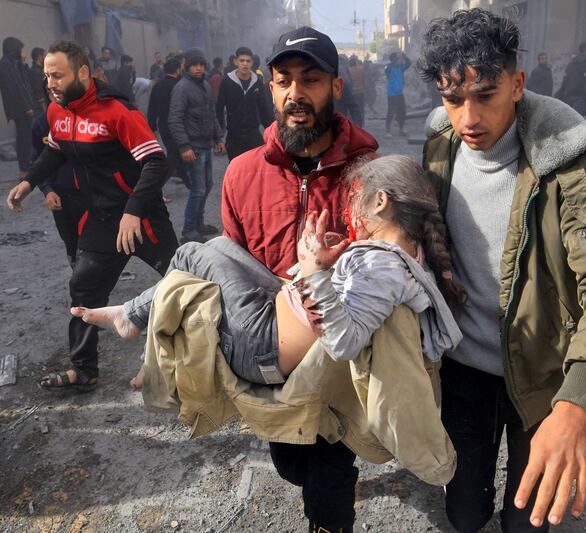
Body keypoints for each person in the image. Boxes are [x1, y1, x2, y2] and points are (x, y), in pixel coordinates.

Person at [418, 9, 586, 532]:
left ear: (517, 83)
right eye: (452, 99)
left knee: (527, 521)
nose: (468, 118)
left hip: (541, 379)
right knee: (463, 513)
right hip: (462, 371)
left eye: (484, 94)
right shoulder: (440, 147)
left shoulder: (575, 168)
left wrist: (578, 404)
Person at [73, 155, 463, 400]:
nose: (350, 213)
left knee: (190, 253)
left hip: (260, 347)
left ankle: (133, 319)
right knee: (221, 248)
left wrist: (313, 270)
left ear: (380, 202)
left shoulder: (383, 266)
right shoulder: (401, 255)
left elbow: (344, 341)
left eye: (356, 201)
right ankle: (135, 315)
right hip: (271, 317)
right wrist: (321, 265)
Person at [222, 26, 378, 532]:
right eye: (284, 80)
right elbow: (234, 277)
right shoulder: (242, 175)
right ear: (270, 88)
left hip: (343, 361)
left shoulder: (370, 176)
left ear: (335, 87)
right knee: (291, 464)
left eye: (310, 80)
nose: (296, 93)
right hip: (277, 356)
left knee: (327, 480)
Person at [5, 41, 178, 391]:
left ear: (82, 73)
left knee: (181, 283)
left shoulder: (117, 112)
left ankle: (195, 359)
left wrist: (133, 211)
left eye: (57, 75)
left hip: (142, 217)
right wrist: (28, 183)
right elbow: (54, 152)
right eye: (46, 75)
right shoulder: (57, 111)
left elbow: (157, 162)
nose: (49, 82)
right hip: (101, 219)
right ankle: (84, 371)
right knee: (82, 288)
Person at [168, 48, 225, 243]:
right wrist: (184, 146)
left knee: (207, 185)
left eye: (201, 64)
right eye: (195, 65)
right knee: (198, 188)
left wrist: (218, 138)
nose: (199, 68)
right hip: (193, 147)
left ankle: (198, 224)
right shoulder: (182, 88)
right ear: (187, 66)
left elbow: (212, 114)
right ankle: (189, 230)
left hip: (206, 144)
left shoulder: (206, 85)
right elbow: (174, 119)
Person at [30, 77, 82, 268]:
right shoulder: (40, 125)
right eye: (49, 89)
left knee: (94, 244)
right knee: (71, 243)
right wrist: (47, 189)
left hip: (90, 193)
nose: (54, 93)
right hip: (61, 196)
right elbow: (38, 162)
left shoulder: (84, 119)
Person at [215, 46, 272, 160]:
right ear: (236, 62)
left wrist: (271, 130)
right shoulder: (226, 82)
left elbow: (264, 109)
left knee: (256, 170)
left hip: (253, 134)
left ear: (252, 63)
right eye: (242, 60)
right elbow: (219, 109)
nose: (245, 64)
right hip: (234, 136)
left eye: (248, 61)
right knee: (236, 172)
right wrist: (218, 137)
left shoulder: (257, 82)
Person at [0, 36, 37, 179]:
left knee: (26, 138)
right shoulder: (5, 65)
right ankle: (24, 169)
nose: (23, 53)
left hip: (24, 108)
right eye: (21, 50)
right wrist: (26, 107)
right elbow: (14, 89)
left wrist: (23, 64)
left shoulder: (15, 64)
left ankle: (27, 165)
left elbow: (25, 82)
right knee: (23, 139)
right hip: (19, 110)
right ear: (13, 49)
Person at [147, 57, 186, 184]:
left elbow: (151, 109)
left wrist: (152, 126)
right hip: (177, 126)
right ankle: (156, 185)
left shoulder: (157, 87)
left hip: (163, 126)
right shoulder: (178, 87)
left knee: (175, 151)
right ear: (177, 70)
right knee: (174, 155)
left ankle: (186, 179)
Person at [555, 41, 586, 115]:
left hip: (569, 94)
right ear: (585, 49)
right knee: (579, 119)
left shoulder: (571, 63)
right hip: (580, 95)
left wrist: (561, 92)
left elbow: (565, 79)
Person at [385, 51, 411, 137]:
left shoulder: (401, 67)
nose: (400, 60)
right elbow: (387, 69)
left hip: (399, 93)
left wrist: (404, 56)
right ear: (394, 60)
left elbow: (409, 63)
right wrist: (395, 59)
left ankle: (401, 129)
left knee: (402, 111)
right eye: (398, 59)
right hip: (391, 94)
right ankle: (388, 131)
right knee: (391, 112)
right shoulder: (389, 68)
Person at [347, 56, 366, 126]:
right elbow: (364, 80)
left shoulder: (348, 70)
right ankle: (361, 124)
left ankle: (353, 124)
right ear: (355, 63)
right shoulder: (361, 70)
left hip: (352, 93)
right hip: (361, 92)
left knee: (352, 109)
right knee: (361, 109)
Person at [30, 46, 48, 112]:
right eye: (45, 55)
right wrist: (45, 110)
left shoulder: (42, 69)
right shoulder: (35, 72)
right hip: (43, 106)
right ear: (39, 56)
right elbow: (38, 92)